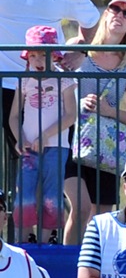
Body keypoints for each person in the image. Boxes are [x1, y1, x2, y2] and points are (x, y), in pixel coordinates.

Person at [0, 0, 99, 161]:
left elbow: (90, 19)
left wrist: (82, 51)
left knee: (44, 163)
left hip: (47, 88)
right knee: (10, 166)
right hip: (4, 83)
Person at [62, 0, 126, 246]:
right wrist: (78, 103)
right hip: (72, 139)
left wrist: (108, 110)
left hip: (106, 147)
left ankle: (95, 271)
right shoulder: (79, 47)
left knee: (102, 218)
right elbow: (55, 86)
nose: (119, 15)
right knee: (81, 208)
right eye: (114, 8)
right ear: (105, 14)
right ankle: (68, 267)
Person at [12, 26, 76, 242]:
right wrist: (20, 139)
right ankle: (25, 240)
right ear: (27, 57)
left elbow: (71, 115)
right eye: (33, 55)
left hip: (56, 147)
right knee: (25, 193)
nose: (38, 60)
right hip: (29, 148)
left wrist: (46, 136)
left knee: (52, 195)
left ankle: (47, 240)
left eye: (44, 54)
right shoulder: (24, 80)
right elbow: (13, 116)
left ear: (55, 56)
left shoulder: (64, 80)